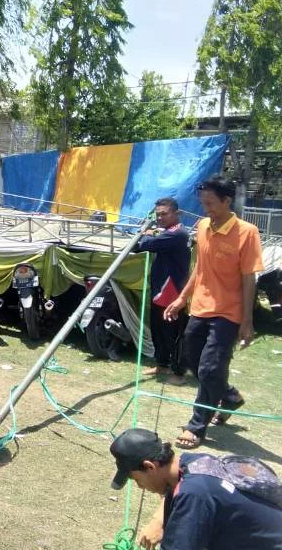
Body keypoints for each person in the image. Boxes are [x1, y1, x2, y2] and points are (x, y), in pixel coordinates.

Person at [164, 176, 264, 449]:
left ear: (226, 200)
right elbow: (200, 268)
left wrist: (247, 321)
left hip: (228, 313)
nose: (205, 207)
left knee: (210, 368)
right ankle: (229, 396)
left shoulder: (247, 232)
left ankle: (197, 425)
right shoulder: (203, 225)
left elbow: (248, 279)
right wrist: (181, 298)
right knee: (196, 363)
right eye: (202, 202)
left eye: (210, 203)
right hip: (200, 308)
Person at [109, 428, 282, 550]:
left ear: (150, 467)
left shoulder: (192, 495)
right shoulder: (193, 461)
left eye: (137, 480)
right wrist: (159, 520)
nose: (140, 487)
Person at [137, 198, 190, 385]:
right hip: (160, 291)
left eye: (164, 214)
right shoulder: (167, 233)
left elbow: (143, 245)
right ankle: (162, 364)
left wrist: (147, 234)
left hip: (172, 293)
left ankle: (178, 372)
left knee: (173, 335)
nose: (160, 217)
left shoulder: (177, 234)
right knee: (158, 331)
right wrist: (152, 234)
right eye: (158, 214)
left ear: (176, 214)